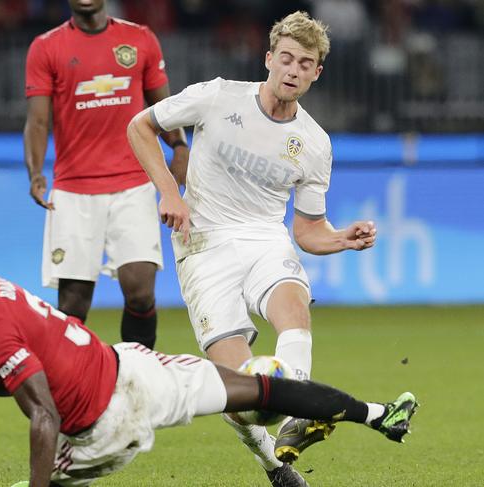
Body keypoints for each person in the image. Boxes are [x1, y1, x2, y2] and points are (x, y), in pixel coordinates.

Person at [0, 234, 418, 487]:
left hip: (101, 426)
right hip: (137, 371)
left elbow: (42, 411)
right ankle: (379, 415)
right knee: (260, 391)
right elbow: (18, 375)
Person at [127, 9, 379, 476]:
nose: (293, 70)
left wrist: (341, 238)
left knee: (294, 308)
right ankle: (275, 467)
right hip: (203, 248)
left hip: (266, 239)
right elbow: (140, 126)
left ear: (316, 73)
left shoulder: (315, 143)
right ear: (268, 58)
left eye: (305, 64)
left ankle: (300, 417)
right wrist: (169, 192)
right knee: (240, 396)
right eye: (287, 58)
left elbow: (307, 231)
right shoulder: (217, 97)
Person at [23, 0, 189, 350]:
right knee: (72, 305)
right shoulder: (46, 47)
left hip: (133, 184)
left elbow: (163, 107)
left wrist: (180, 147)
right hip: (74, 190)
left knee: (140, 292)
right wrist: (36, 173)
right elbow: (38, 120)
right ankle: (71, 389)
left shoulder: (139, 39)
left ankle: (138, 379)